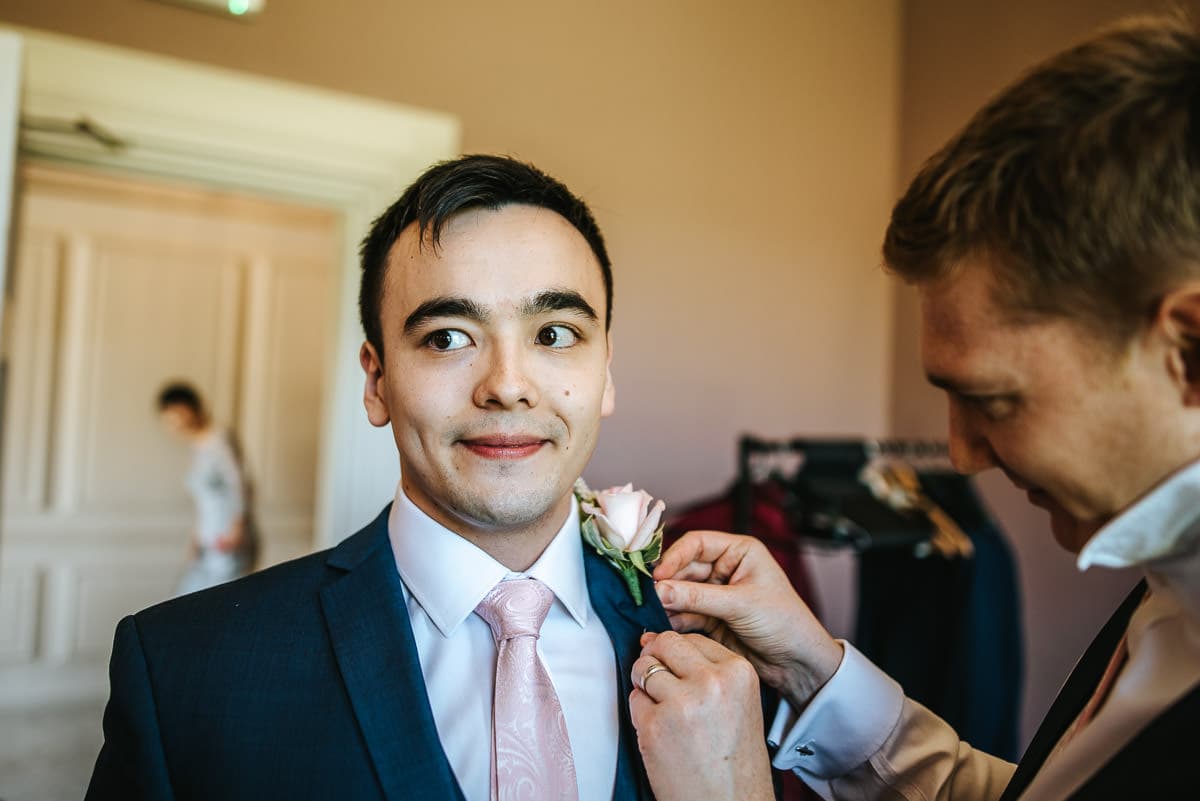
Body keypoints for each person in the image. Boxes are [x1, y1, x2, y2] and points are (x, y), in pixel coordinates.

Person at [630, 14, 1200, 801]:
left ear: (1189, 352)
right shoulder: (1169, 591)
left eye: (994, 400)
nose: (961, 454)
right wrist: (811, 665)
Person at [86, 155, 671, 801]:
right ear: (376, 380)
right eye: (448, 337)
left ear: (606, 370)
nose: (507, 385)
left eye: (555, 332)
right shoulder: (181, 667)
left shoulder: (712, 633)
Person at [156, 381, 255, 595]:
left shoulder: (218, 440)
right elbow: (204, 500)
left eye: (179, 414)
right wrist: (196, 536)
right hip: (207, 535)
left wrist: (237, 526)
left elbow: (238, 482)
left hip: (226, 536)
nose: (176, 423)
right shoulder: (197, 447)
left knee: (219, 597)